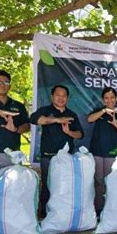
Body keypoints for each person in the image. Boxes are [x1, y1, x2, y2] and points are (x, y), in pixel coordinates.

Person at [30, 85, 84, 218]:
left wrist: (69, 132)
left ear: (67, 98)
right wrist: (56, 120)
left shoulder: (71, 114)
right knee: (47, 186)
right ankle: (44, 215)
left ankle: (62, 214)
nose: (61, 98)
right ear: (52, 97)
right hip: (49, 157)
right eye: (58, 95)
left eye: (64, 95)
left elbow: (80, 134)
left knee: (65, 186)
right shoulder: (46, 110)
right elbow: (34, 119)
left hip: (67, 158)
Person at [87, 87, 117, 211]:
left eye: (112, 97)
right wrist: (104, 111)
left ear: (116, 99)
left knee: (110, 181)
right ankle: (98, 209)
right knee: (98, 181)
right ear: (103, 99)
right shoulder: (99, 111)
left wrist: (116, 125)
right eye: (106, 98)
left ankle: (110, 210)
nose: (109, 100)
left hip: (112, 152)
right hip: (97, 151)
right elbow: (89, 119)